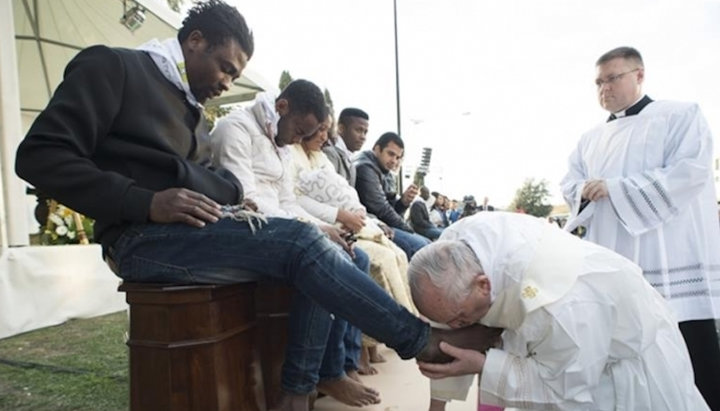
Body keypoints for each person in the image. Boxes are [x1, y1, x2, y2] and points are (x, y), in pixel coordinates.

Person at [13, 2, 495, 410]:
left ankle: (299, 388)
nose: (227, 82)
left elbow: (216, 181)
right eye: (225, 67)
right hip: (138, 239)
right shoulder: (113, 67)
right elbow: (38, 157)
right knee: (303, 242)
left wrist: (225, 196)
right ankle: (417, 342)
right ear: (195, 40)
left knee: (325, 252)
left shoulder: (190, 109)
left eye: (236, 75)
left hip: (189, 231)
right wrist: (148, 202)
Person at [409, 212, 710, 411]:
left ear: (483, 285)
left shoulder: (560, 305)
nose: (457, 326)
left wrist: (484, 366)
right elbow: (447, 331)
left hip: (616, 366)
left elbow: (566, 390)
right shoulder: (453, 249)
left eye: (461, 318)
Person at [560, 46, 720, 409]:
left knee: (689, 343)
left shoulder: (680, 115)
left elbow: (690, 172)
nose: (605, 88)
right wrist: (581, 190)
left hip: (668, 253)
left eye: (612, 78)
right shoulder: (590, 139)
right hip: (615, 255)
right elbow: (570, 182)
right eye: (598, 82)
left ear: (639, 75)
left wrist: (617, 189)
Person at [209, 81, 381, 406]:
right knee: (321, 260)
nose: (298, 141)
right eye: (300, 131)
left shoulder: (284, 146)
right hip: (246, 230)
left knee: (353, 258)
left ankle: (332, 370)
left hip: (285, 230)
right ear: (282, 107)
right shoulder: (235, 129)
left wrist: (323, 228)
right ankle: (300, 386)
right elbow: (247, 202)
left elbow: (289, 203)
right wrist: (315, 231)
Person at [287, 113, 417, 376]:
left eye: (326, 130)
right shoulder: (292, 153)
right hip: (322, 226)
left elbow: (354, 198)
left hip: (349, 224)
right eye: (320, 129)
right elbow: (293, 199)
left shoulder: (322, 157)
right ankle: (351, 358)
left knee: (395, 253)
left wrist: (359, 216)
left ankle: (365, 350)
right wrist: (339, 218)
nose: (324, 136)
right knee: (368, 259)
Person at [355, 132, 431, 258]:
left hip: (381, 224)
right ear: (377, 149)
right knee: (422, 247)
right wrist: (408, 230)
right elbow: (381, 209)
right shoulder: (366, 167)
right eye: (390, 154)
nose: (394, 161)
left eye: (397, 157)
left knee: (427, 244)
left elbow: (389, 208)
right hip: (369, 225)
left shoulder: (384, 171)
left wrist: (403, 202)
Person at [323, 107, 368, 186]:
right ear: (341, 128)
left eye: (365, 132)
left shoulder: (351, 162)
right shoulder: (330, 154)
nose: (363, 137)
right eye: (359, 130)